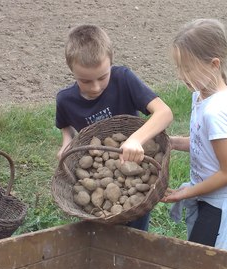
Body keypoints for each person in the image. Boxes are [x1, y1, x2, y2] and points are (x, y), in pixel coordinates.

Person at [162, 19, 227, 259]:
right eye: (179, 68)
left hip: (221, 204)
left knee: (206, 265)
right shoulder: (200, 97)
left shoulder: (215, 111)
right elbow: (203, 145)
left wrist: (185, 193)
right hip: (208, 198)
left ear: (214, 64)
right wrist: (173, 142)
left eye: (187, 68)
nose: (181, 76)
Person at [55, 24, 173, 231]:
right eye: (85, 81)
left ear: (111, 63)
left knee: (136, 230)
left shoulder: (123, 79)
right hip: (98, 168)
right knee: (98, 231)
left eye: (102, 77)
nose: (96, 87)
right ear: (71, 70)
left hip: (135, 161)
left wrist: (135, 140)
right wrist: (66, 141)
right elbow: (65, 125)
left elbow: (164, 113)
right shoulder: (65, 99)